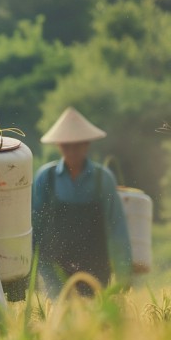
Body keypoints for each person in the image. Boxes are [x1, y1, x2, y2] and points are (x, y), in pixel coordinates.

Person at [32, 106, 132, 298]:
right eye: (66, 146)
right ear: (59, 146)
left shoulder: (103, 179)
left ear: (86, 145)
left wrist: (123, 272)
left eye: (77, 145)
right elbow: (35, 224)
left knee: (94, 320)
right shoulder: (46, 177)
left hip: (95, 265)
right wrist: (30, 272)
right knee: (61, 316)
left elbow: (117, 226)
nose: (72, 151)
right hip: (54, 265)